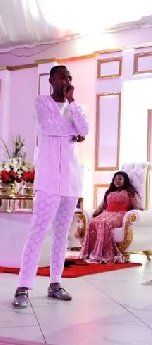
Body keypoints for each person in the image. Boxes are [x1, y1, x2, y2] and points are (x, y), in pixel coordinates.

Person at [13, 65, 89, 308]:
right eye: (62, 76)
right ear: (51, 80)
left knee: (62, 234)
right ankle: (23, 286)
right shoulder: (42, 102)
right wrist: (73, 132)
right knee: (38, 231)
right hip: (47, 179)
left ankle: (55, 283)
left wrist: (72, 104)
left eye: (69, 76)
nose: (66, 80)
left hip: (70, 178)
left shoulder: (77, 107)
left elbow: (85, 129)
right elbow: (48, 127)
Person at [80, 171, 141, 263]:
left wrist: (136, 213)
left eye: (120, 179)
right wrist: (96, 212)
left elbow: (137, 206)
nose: (117, 181)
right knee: (93, 222)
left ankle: (105, 253)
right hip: (107, 213)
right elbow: (103, 205)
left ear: (125, 180)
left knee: (106, 223)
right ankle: (92, 252)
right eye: (115, 179)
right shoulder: (109, 192)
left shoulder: (130, 192)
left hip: (120, 214)